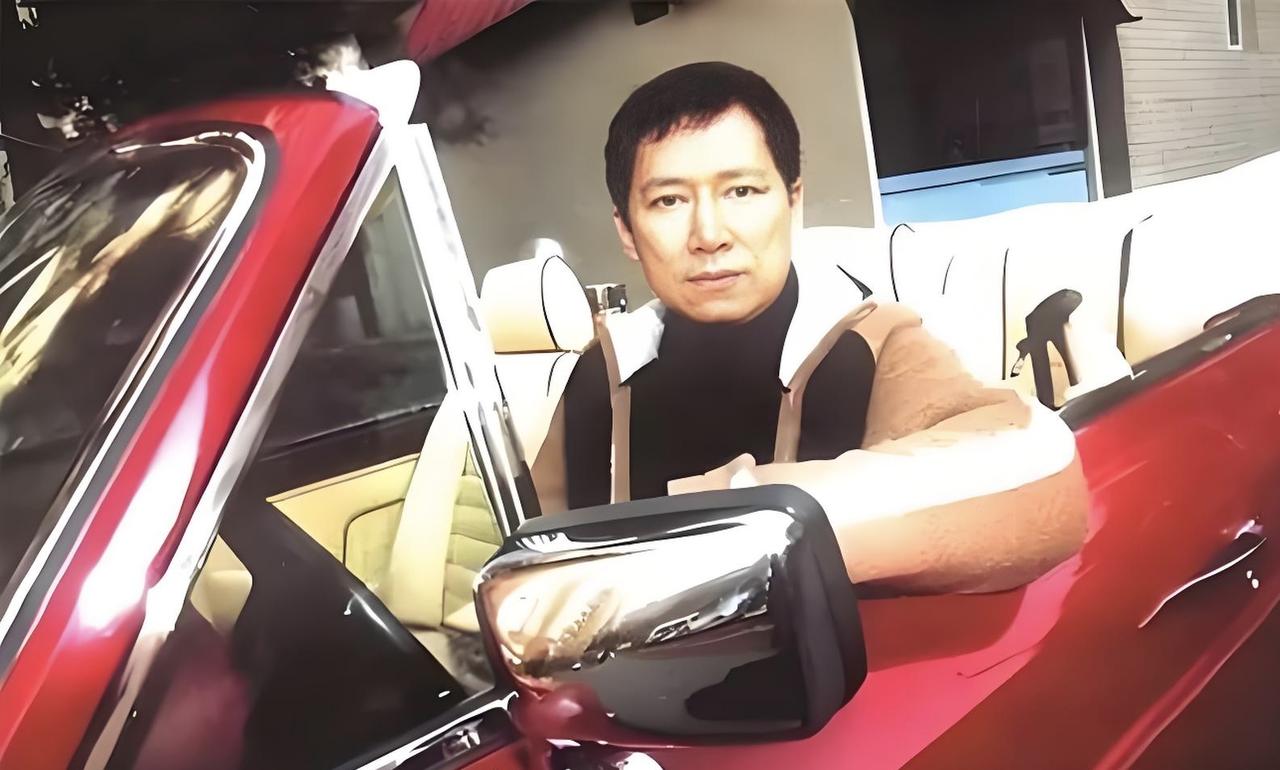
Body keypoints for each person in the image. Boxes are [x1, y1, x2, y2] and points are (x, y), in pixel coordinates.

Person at [532, 61, 1087, 594]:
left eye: (741, 192)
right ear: (627, 231)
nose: (709, 234)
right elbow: (529, 556)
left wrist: (738, 516)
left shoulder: (871, 343)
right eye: (669, 200)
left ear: (793, 203)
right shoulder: (603, 372)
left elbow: (1034, 471)